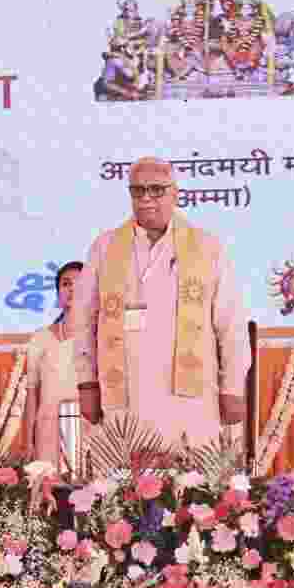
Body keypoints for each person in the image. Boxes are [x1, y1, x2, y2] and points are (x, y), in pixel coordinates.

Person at [71, 158, 250, 449]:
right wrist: (87, 384)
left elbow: (231, 324)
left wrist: (232, 387)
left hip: (188, 398)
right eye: (138, 190)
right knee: (122, 489)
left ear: (175, 193)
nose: (146, 198)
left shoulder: (208, 247)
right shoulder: (104, 247)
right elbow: (83, 320)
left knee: (190, 486)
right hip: (123, 393)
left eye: (156, 189)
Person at [21, 261, 88, 469]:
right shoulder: (40, 338)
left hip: (87, 428)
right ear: (58, 292)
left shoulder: (99, 337)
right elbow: (32, 395)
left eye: (80, 284)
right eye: (66, 284)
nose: (72, 289)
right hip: (48, 429)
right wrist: (27, 442)